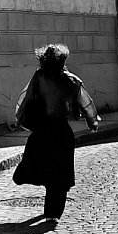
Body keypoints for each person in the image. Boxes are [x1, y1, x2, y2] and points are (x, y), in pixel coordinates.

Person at [13, 43, 100, 222]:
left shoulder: (39, 77)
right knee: (60, 174)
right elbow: (85, 102)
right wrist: (92, 121)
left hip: (42, 130)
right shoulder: (70, 80)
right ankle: (53, 214)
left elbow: (25, 98)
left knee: (42, 166)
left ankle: (25, 176)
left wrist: (20, 118)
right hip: (61, 131)